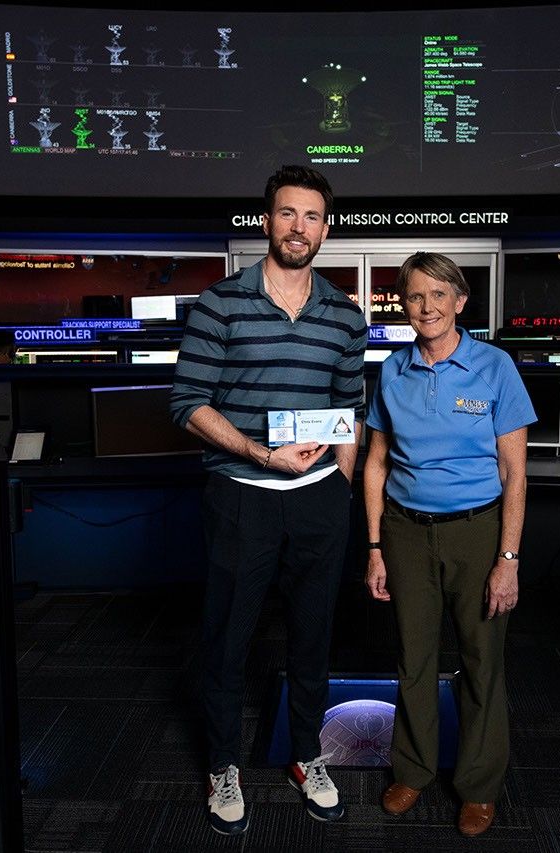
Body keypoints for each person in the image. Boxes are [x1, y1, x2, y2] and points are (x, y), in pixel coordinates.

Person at [170, 165, 367, 836]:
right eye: (287, 213)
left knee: (313, 634)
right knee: (228, 638)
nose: (298, 227)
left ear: (325, 229)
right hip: (241, 496)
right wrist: (260, 454)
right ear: (266, 221)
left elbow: (350, 409)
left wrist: (340, 485)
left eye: (311, 216)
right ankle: (223, 764)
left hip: (318, 500)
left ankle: (307, 754)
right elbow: (187, 403)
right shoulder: (219, 303)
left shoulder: (345, 315)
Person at [363, 252, 536, 837]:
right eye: (415, 296)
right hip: (406, 532)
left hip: (478, 531)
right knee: (413, 658)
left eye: (439, 294)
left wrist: (507, 560)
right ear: (403, 305)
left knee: (481, 660)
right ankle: (412, 772)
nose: (427, 307)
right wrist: (374, 546)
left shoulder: (495, 367)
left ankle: (479, 786)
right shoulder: (393, 370)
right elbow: (376, 463)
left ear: (460, 301)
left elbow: (515, 473)